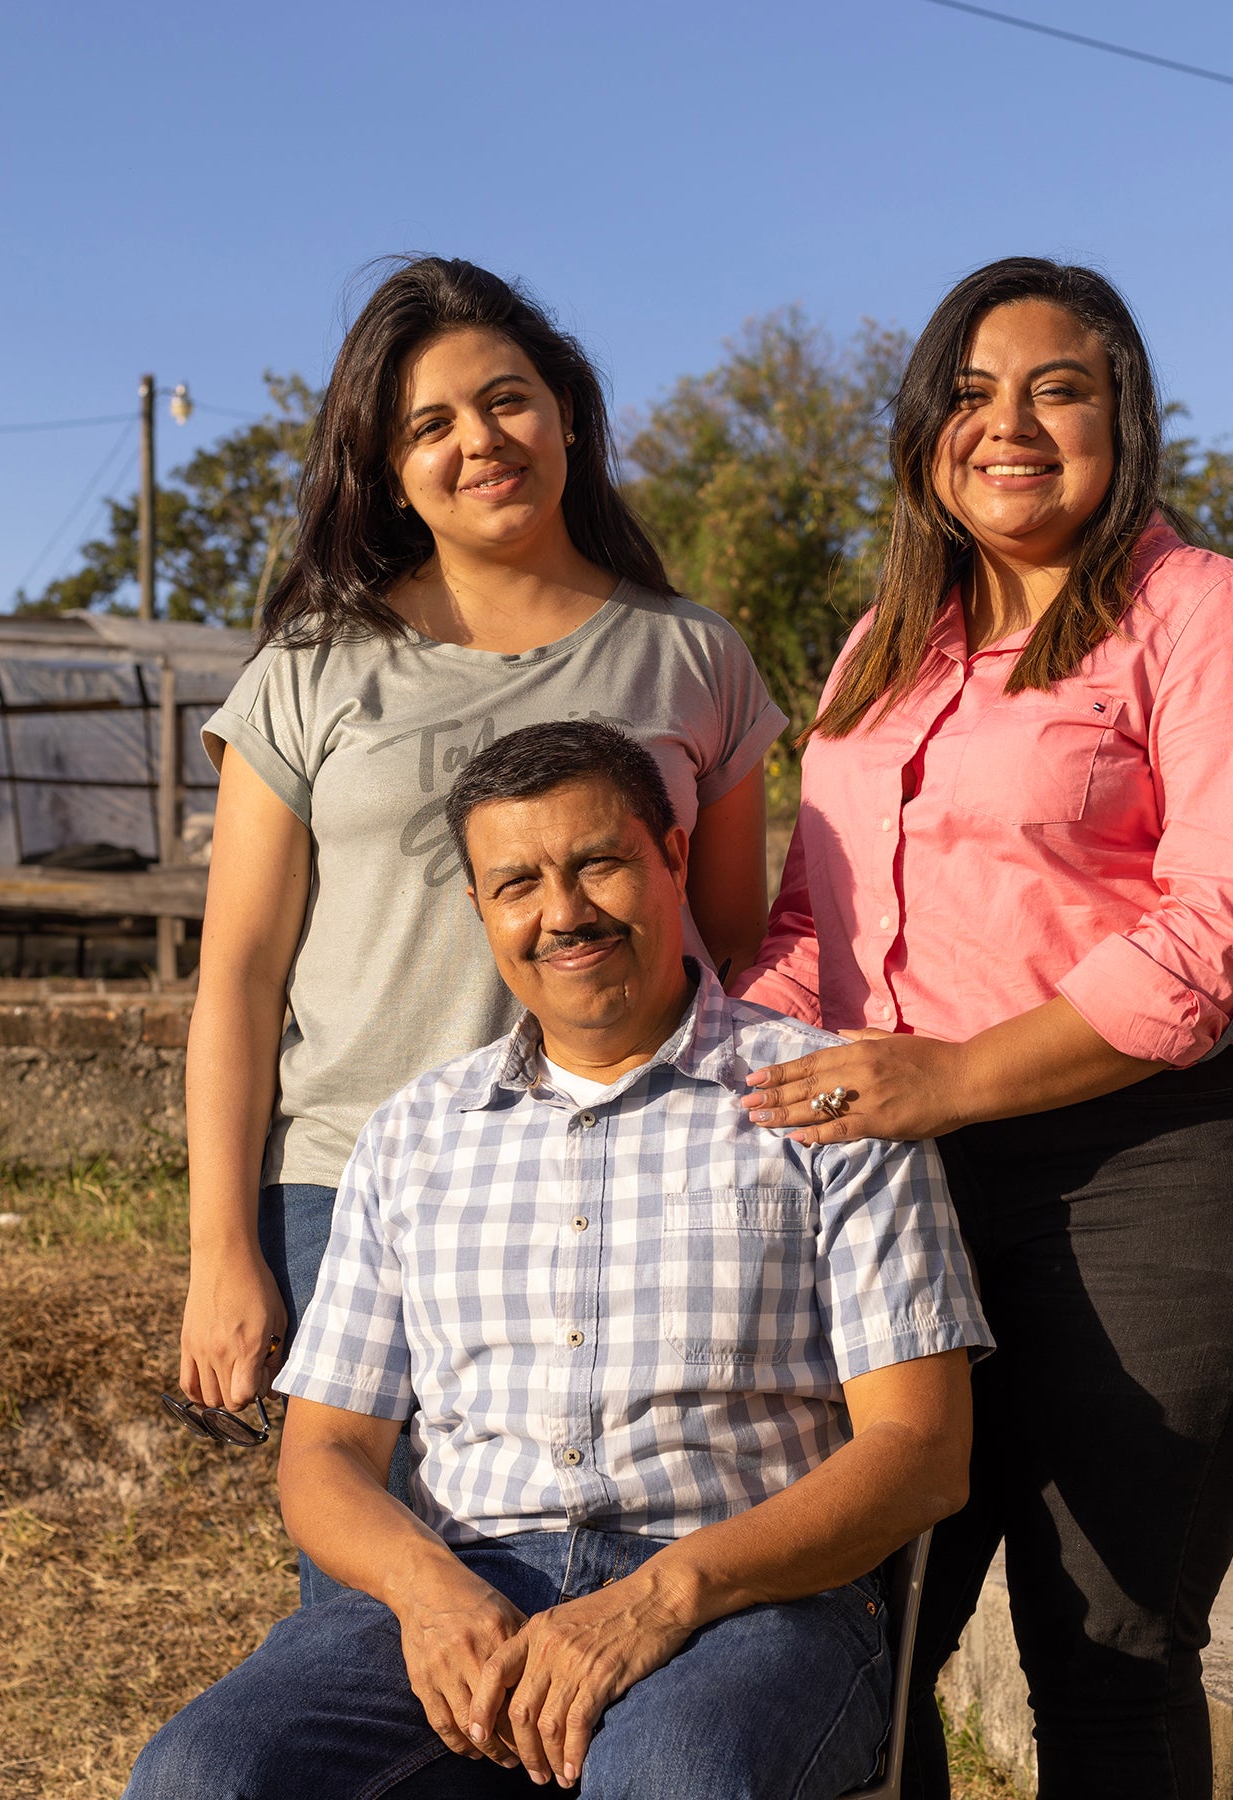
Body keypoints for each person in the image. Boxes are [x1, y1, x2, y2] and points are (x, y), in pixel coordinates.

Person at [731, 257, 1233, 1800]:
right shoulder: (880, 650)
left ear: (1119, 418)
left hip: (1169, 1161)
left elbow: (1221, 930)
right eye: (965, 392)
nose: (1005, 425)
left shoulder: (1208, 613)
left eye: (1054, 388)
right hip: (914, 1178)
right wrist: (711, 1074)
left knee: (1100, 1634)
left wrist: (949, 1074)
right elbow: (816, 929)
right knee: (862, 1620)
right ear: (920, 433)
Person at [125, 721, 992, 1800]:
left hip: (749, 1602)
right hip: (473, 1587)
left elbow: (919, 1450)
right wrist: (425, 1591)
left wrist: (664, 1596)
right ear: (480, 910)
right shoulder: (413, 1135)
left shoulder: (823, 1102)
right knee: (204, 1775)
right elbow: (326, 1455)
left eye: (597, 864)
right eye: (517, 883)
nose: (562, 912)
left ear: (671, 860)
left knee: (674, 1776)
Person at [179, 258, 787, 1599]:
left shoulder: (695, 660)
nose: (477, 443)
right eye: (427, 426)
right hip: (349, 1192)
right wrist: (220, 1247)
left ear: (565, 414)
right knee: (390, 1616)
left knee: (618, 1603)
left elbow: (734, 949)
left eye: (504, 401)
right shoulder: (310, 668)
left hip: (639, 1185)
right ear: (387, 473)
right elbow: (236, 976)